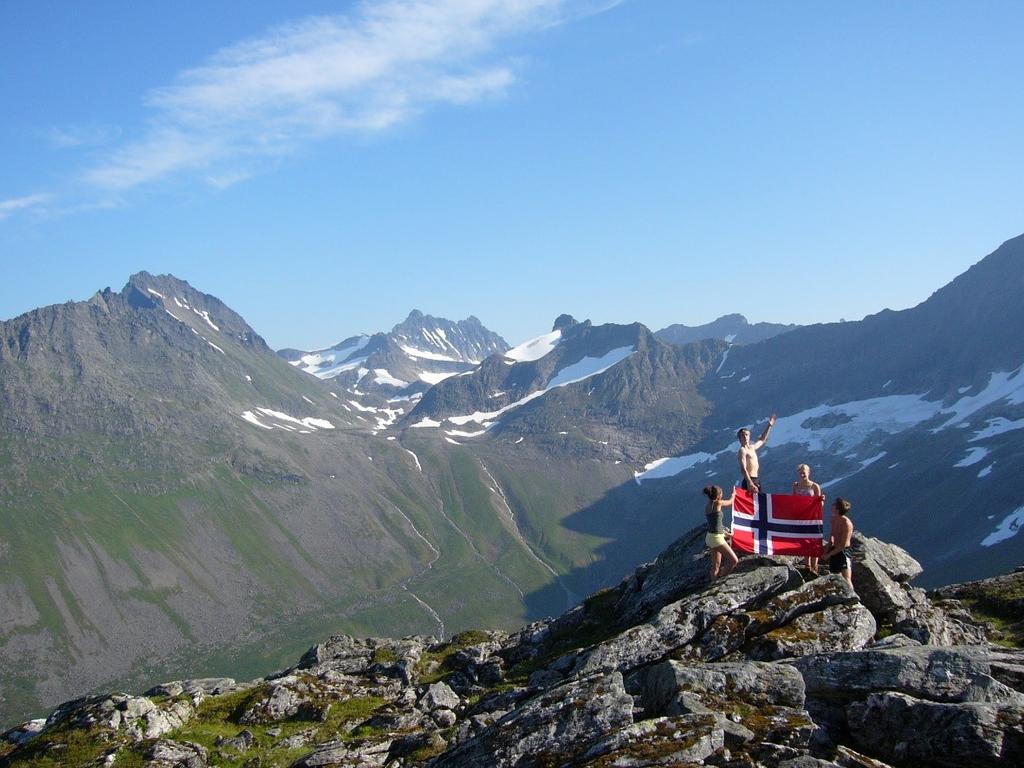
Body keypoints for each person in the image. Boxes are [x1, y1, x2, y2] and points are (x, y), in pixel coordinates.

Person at [792, 464, 824, 575]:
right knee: (805, 541)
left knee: (814, 541)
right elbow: (793, 501)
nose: (802, 474)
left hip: (814, 518)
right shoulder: (795, 486)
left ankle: (815, 566)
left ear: (808, 472)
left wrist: (821, 501)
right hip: (802, 517)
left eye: (804, 471)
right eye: (800, 472)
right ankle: (807, 565)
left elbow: (820, 504)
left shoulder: (815, 486)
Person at [703, 485, 739, 579]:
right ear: (718, 496)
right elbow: (731, 502)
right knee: (734, 560)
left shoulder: (707, 506)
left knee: (715, 565)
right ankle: (722, 578)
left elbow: (715, 523)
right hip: (717, 539)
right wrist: (734, 494)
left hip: (710, 537)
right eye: (721, 493)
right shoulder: (718, 503)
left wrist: (725, 533)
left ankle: (713, 583)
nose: (723, 494)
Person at [737, 413, 777, 492]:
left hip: (756, 479)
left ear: (749, 436)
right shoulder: (742, 450)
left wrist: (769, 426)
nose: (745, 437)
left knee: (758, 503)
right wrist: (750, 483)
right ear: (739, 438)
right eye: (742, 435)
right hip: (749, 479)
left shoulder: (752, 447)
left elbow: (762, 440)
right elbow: (743, 468)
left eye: (746, 435)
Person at [821, 497, 854, 585]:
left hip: (843, 552)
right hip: (835, 548)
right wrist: (828, 546)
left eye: (834, 504)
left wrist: (829, 554)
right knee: (836, 576)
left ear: (837, 508)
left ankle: (853, 597)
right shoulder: (833, 519)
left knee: (846, 577)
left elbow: (844, 544)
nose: (832, 505)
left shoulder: (846, 523)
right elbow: (832, 534)